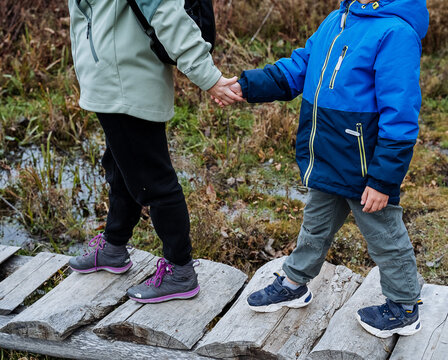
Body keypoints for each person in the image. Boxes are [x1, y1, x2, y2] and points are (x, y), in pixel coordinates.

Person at [222, 0, 429, 338]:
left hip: (365, 165)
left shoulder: (396, 32)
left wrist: (382, 179)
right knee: (315, 225)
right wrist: (247, 86)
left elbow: (401, 113)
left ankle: (405, 307)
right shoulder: (338, 19)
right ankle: (294, 282)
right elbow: (299, 68)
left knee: (385, 236)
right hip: (328, 153)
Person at [67, 0, 243, 303]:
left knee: (154, 183)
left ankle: (180, 272)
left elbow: (166, 13)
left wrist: (208, 77)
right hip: (107, 83)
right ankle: (113, 246)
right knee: (120, 169)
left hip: (128, 82)